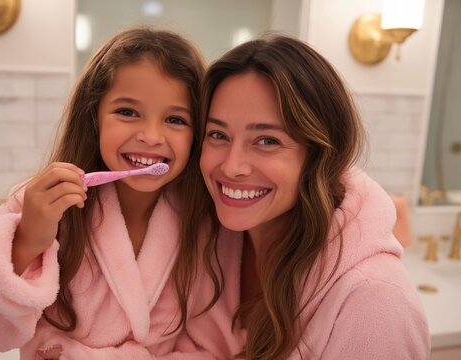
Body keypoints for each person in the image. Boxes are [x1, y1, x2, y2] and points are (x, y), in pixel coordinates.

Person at [0, 28, 216, 359]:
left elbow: (213, 346)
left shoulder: (204, 222)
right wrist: (25, 241)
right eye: (127, 112)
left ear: (197, 134)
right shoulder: (43, 203)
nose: (151, 136)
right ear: (93, 117)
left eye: (176, 119)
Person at [178, 34, 431, 359]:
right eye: (218, 135)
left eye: (267, 140)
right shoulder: (208, 245)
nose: (232, 165)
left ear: (319, 156)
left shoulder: (376, 302)